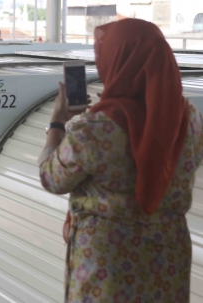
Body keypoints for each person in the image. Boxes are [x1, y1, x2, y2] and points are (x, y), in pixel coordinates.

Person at [38, 18, 203, 302]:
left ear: (117, 62)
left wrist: (56, 124)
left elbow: (50, 177)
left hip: (108, 268)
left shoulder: (96, 127)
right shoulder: (190, 119)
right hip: (169, 261)